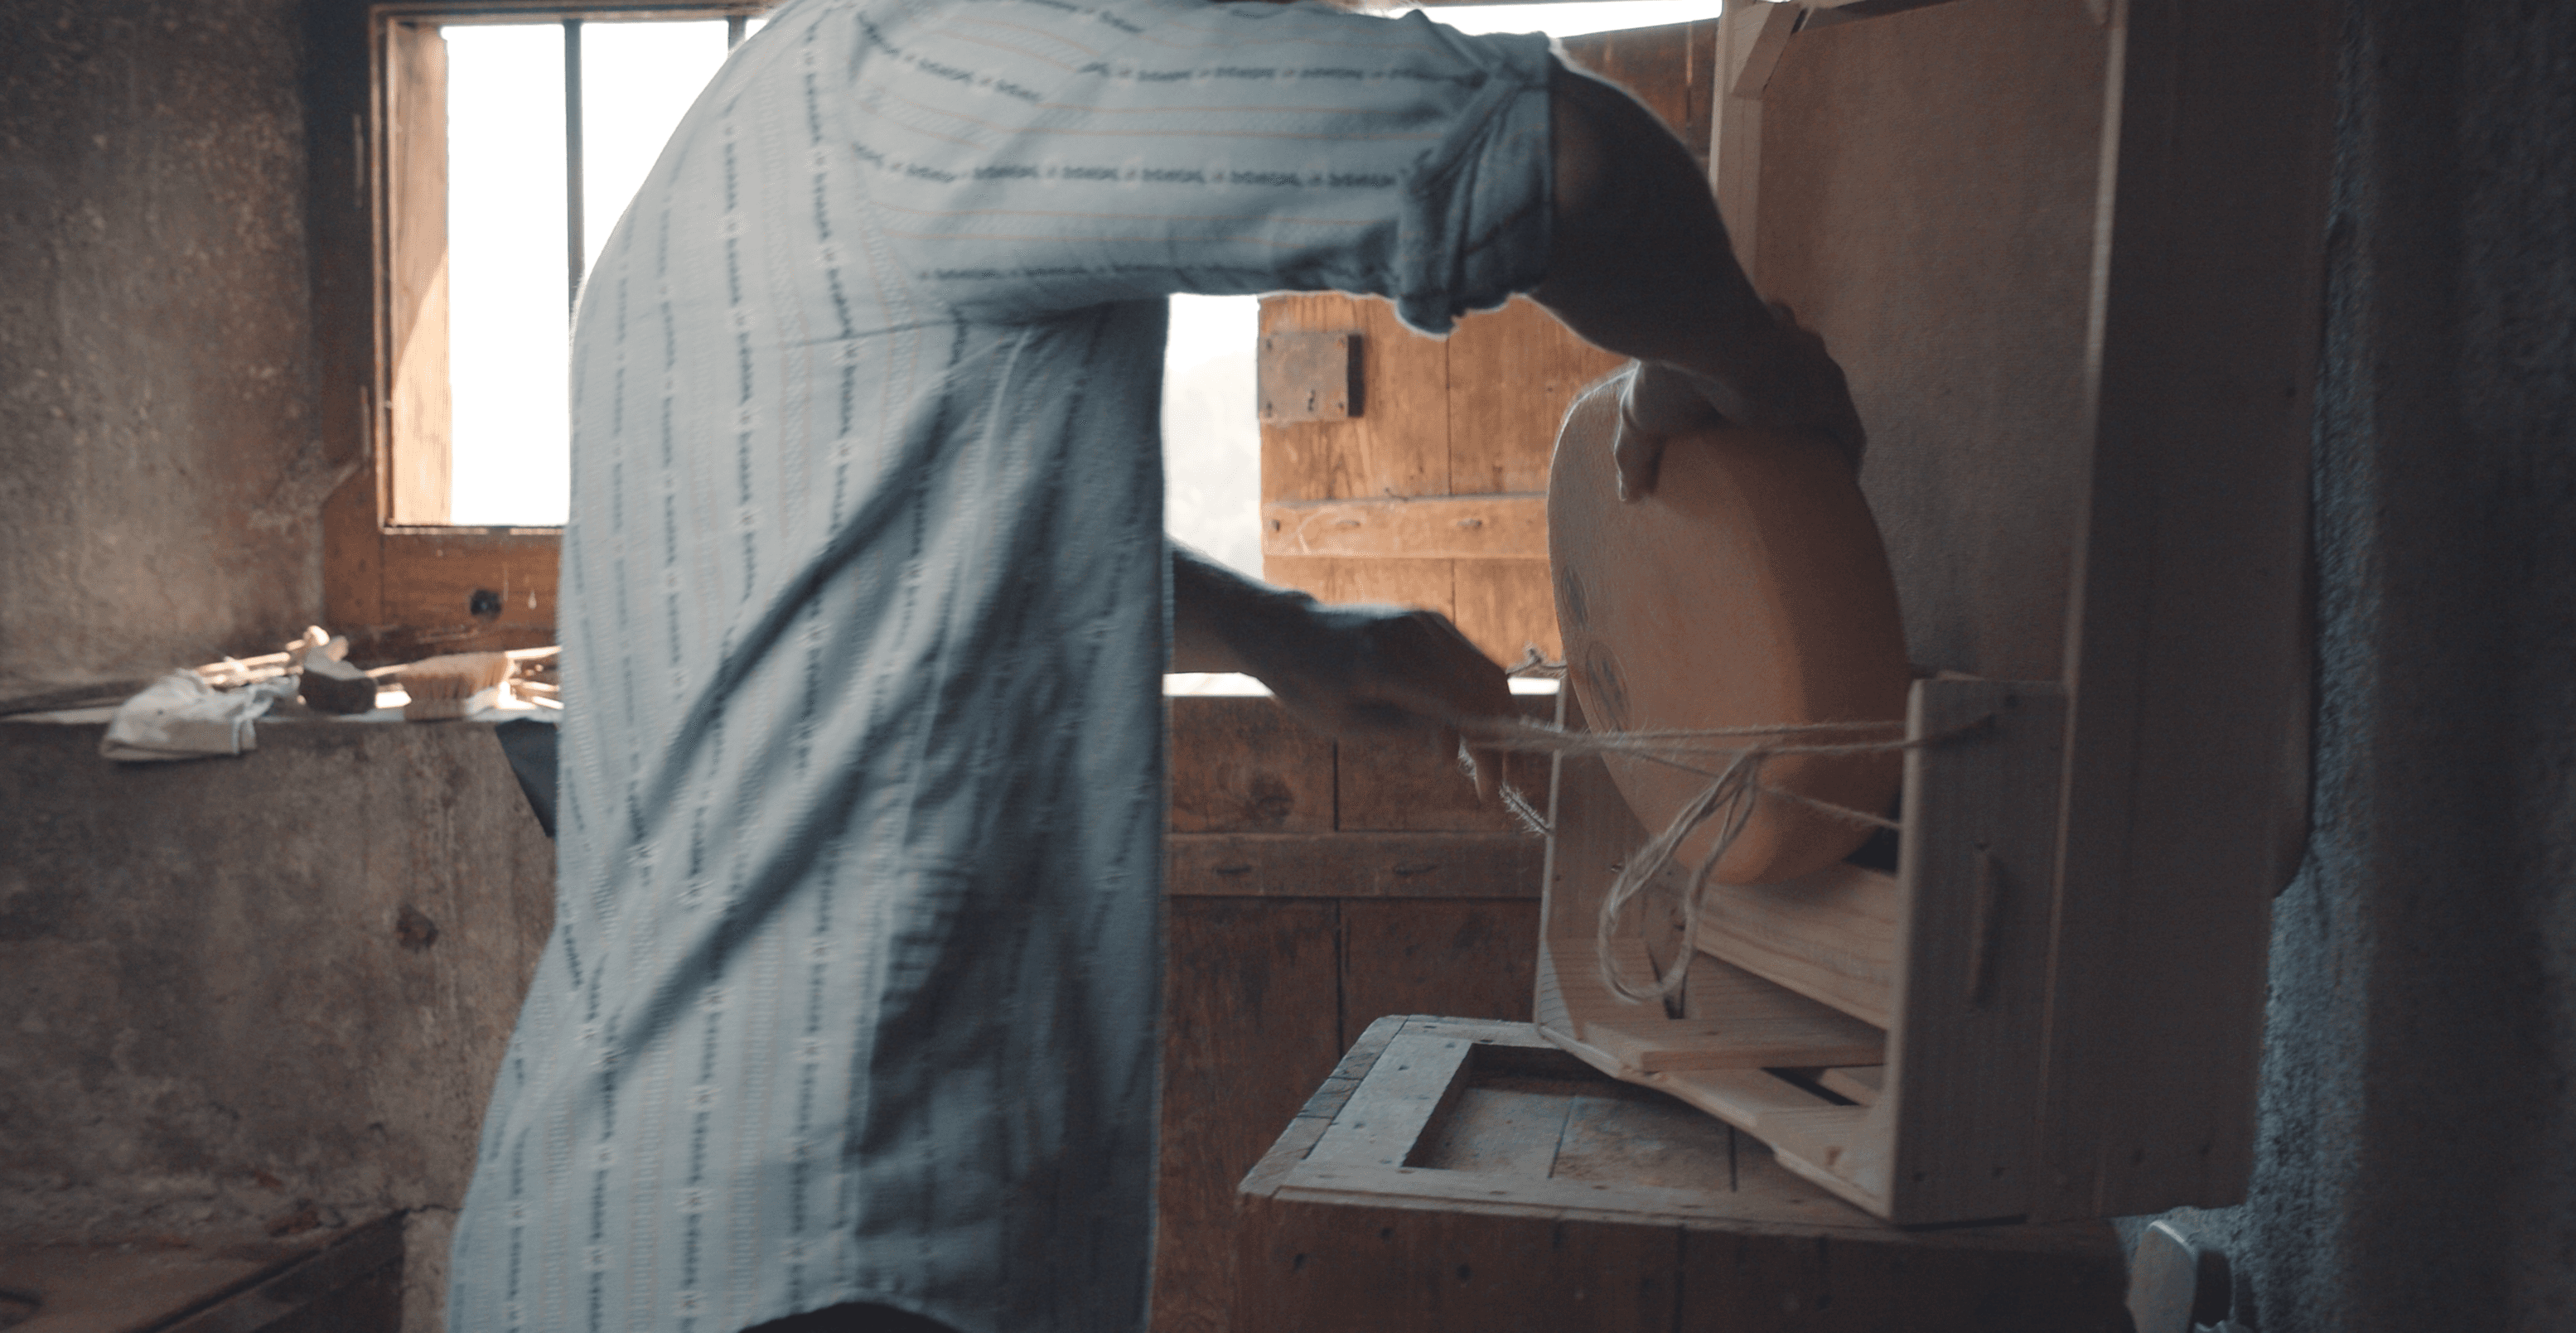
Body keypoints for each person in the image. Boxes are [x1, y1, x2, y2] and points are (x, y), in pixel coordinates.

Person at [446, 0, 1858, 1328]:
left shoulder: (730, 149)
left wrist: (1281, 634)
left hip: (599, 1232)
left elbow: (915, 552)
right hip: (819, 1235)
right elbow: (1556, 156)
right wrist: (1745, 368)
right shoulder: (936, 71)